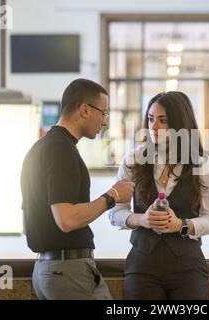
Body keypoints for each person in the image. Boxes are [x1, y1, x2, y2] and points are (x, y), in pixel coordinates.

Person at [21, 78, 135, 300]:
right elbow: (67, 220)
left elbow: (27, 225)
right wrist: (113, 195)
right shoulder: (62, 151)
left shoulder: (38, 148)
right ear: (85, 110)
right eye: (103, 113)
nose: (104, 122)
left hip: (46, 270)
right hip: (68, 271)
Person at [109, 91, 209, 300]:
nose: (154, 127)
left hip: (187, 266)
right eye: (151, 119)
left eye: (163, 120)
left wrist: (181, 225)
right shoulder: (133, 159)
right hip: (143, 264)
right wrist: (141, 219)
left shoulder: (202, 163)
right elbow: (115, 212)